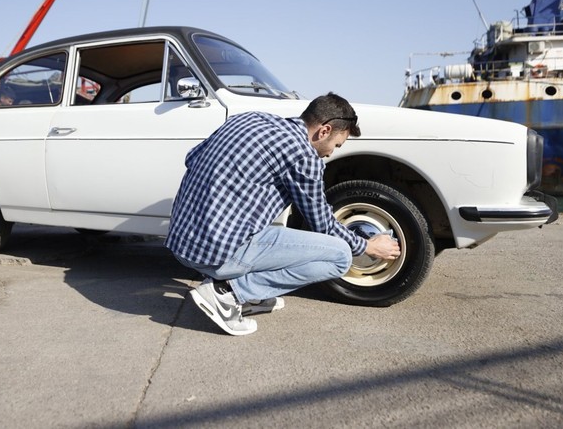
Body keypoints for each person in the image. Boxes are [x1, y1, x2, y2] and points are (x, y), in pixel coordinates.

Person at [165, 92, 400, 336]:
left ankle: (255, 296)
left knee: (275, 229)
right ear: (324, 130)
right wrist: (366, 246)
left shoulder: (249, 119)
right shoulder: (303, 154)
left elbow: (191, 157)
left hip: (182, 242)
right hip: (215, 256)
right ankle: (229, 293)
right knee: (339, 256)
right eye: (336, 145)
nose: (331, 153)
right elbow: (322, 225)